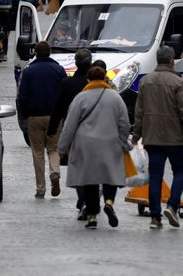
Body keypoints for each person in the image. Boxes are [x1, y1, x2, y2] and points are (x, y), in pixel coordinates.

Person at [132, 46, 183, 229]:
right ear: (171, 61)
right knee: (180, 171)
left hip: (152, 136)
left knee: (155, 176)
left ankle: (155, 217)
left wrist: (136, 134)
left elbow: (139, 112)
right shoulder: (177, 82)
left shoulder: (145, 81)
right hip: (174, 137)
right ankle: (172, 205)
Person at [58, 65, 131, 229]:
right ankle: (109, 202)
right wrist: (123, 139)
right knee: (109, 177)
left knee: (90, 180)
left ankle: (92, 216)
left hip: (86, 145)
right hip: (110, 143)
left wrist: (62, 148)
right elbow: (124, 122)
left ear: (88, 80)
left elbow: (69, 125)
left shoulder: (81, 98)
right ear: (105, 78)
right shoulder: (115, 97)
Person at [16, 41, 66, 199]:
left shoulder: (29, 71)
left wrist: (24, 114)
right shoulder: (59, 70)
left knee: (37, 152)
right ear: (49, 52)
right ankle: (55, 172)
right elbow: (64, 94)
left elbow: (22, 95)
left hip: (35, 116)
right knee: (54, 148)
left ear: (35, 53)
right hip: (54, 116)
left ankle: (40, 188)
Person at [48, 49, 91, 217]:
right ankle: (90, 199)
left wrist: (52, 128)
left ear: (76, 63)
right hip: (96, 131)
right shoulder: (95, 84)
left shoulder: (67, 83)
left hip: (74, 132)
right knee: (93, 166)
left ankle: (82, 199)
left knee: (78, 166)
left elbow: (58, 108)